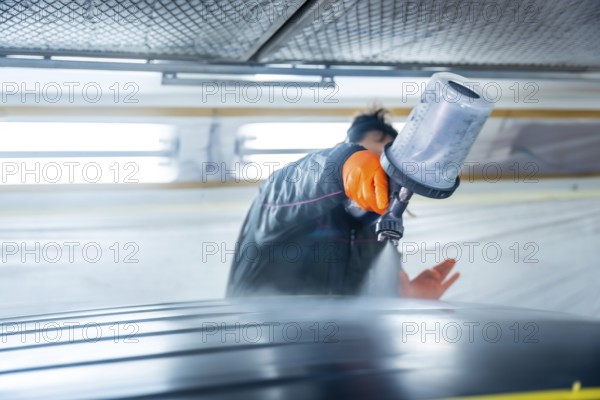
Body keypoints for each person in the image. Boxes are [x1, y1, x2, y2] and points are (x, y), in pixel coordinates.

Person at [226, 108, 459, 298]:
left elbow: (371, 303)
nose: (383, 177)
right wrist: (340, 165)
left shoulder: (377, 233)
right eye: (372, 160)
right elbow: (294, 183)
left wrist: (405, 298)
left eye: (390, 170)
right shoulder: (286, 202)